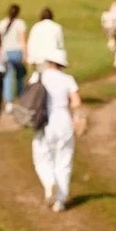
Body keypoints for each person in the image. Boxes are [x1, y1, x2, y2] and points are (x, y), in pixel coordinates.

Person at [31, 49, 82, 212]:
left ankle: (49, 183)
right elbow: (76, 102)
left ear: (49, 62)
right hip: (63, 121)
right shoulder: (68, 79)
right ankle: (60, 201)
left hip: (44, 121)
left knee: (41, 155)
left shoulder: (38, 76)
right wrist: (78, 119)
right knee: (64, 160)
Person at [0, 5, 28, 113]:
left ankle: (9, 102)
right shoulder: (20, 23)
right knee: (20, 77)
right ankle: (21, 99)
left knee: (8, 78)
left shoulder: (1, 23)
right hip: (17, 52)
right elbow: (22, 40)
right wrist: (25, 54)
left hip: (5, 53)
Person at [26, 7, 65, 75]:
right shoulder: (57, 27)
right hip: (53, 60)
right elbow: (60, 45)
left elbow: (31, 44)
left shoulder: (36, 27)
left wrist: (31, 59)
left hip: (40, 59)